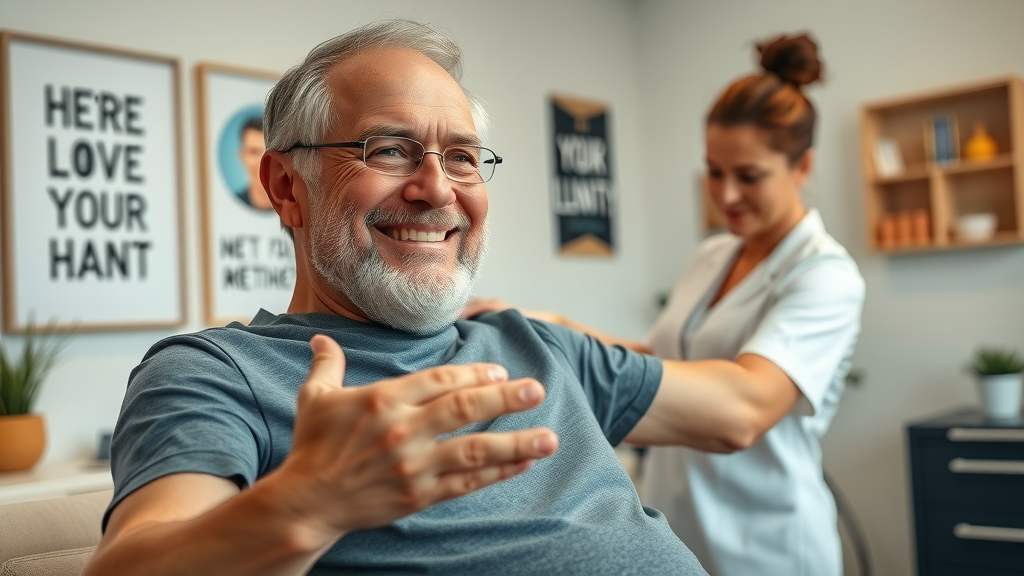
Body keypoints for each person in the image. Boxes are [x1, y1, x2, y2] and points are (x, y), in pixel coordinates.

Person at [84, 19, 716, 576]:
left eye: (463, 157)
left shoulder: (534, 343)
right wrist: (310, 503)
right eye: (389, 150)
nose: (437, 189)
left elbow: (740, 407)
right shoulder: (215, 374)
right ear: (285, 186)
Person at [465, 34, 865, 576]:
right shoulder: (713, 256)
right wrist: (548, 326)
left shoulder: (824, 275)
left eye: (749, 176)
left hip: (769, 546)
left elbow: (743, 410)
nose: (725, 196)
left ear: (802, 167)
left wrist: (575, 364)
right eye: (715, 172)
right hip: (679, 529)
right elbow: (660, 358)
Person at [234, 116, 273, 210]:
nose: (262, 161)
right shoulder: (233, 205)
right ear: (242, 156)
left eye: (269, 152)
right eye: (254, 152)